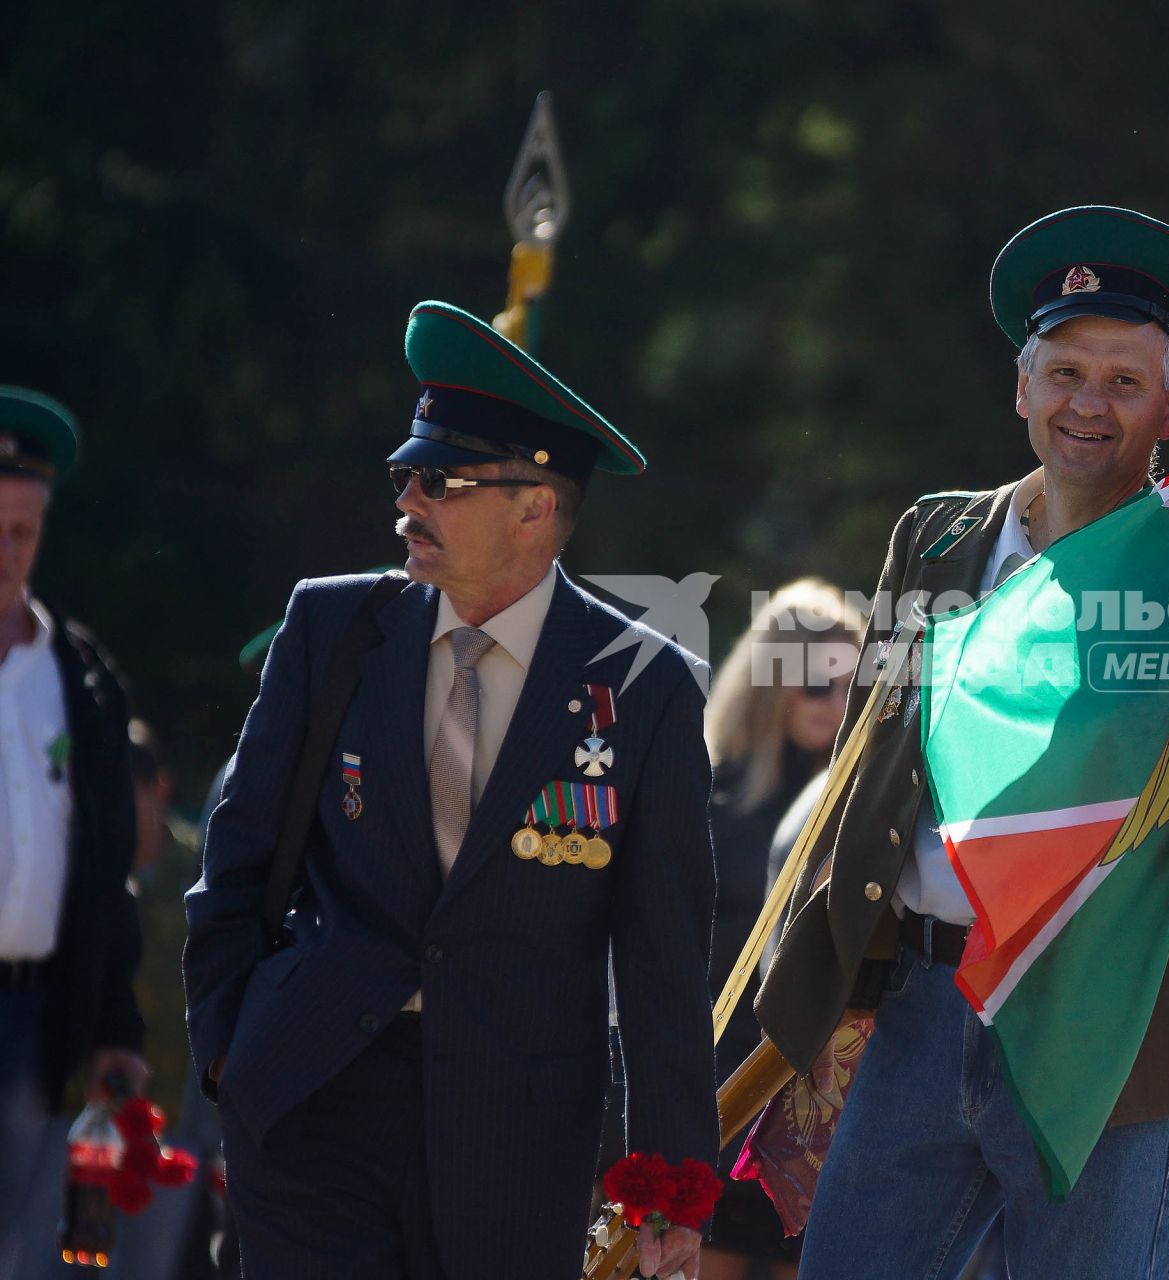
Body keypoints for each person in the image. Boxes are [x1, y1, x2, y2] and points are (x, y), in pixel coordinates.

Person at [754, 206, 1169, 1280]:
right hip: (917, 1013)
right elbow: (866, 779)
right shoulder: (934, 537)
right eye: (1065, 370)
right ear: (1020, 385)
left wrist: (1116, 827)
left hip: (1108, 1030)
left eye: (1125, 381)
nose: (1087, 403)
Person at [183, 302, 717, 1280]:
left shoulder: (644, 684)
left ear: (535, 504)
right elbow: (236, 864)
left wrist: (670, 1177)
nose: (408, 503)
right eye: (405, 475)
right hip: (312, 1096)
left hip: (514, 1132)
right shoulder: (331, 627)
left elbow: (663, 954)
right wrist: (230, 1051)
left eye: (443, 480)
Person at [0, 387, 147, 1277]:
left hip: (32, 1014)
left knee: (21, 1250)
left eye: (21, 531)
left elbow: (104, 866)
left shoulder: (80, 676)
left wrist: (116, 1022)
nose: (4, 552)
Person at [704, 578, 861, 1280]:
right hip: (719, 1082)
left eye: (851, 688)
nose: (834, 706)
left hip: (817, 1096)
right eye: (814, 684)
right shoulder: (706, 792)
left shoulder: (873, 807)